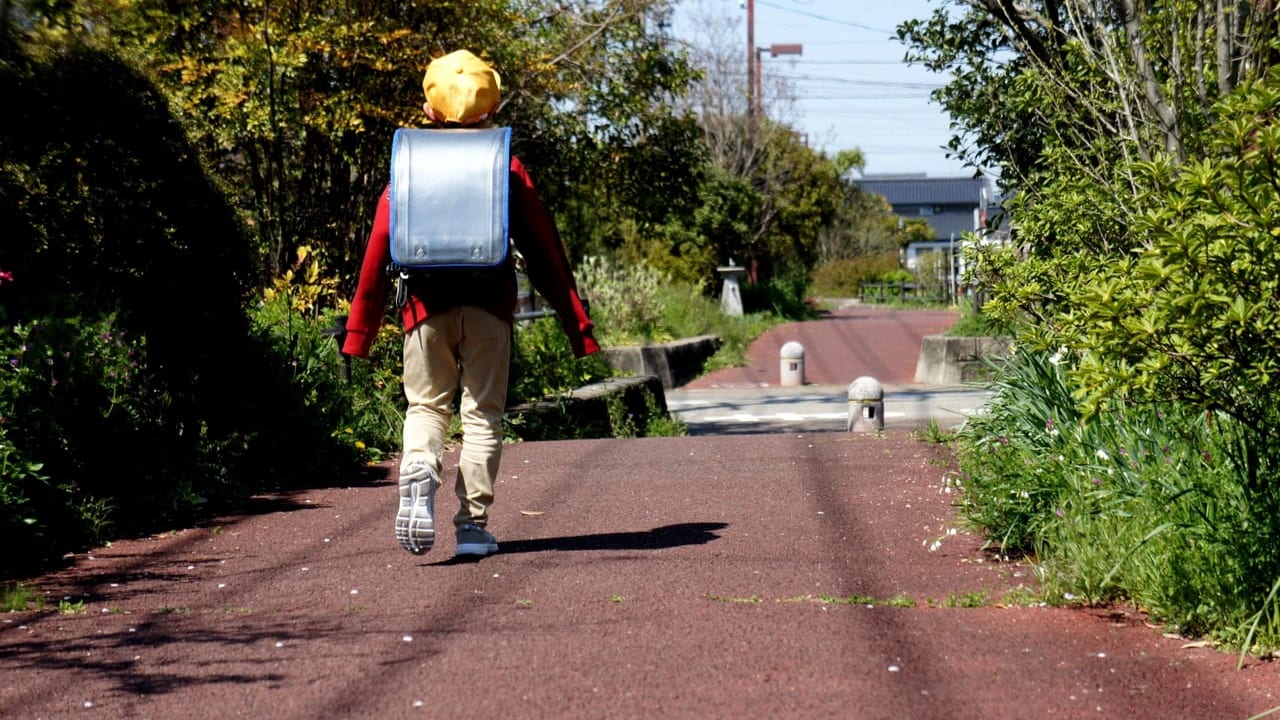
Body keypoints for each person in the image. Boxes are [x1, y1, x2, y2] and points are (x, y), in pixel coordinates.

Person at [342, 49, 599, 558]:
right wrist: (577, 326)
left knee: (426, 406)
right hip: (489, 306)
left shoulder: (410, 160)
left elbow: (378, 244)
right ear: (492, 107)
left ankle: (420, 463)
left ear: (429, 109)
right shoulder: (506, 165)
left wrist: (359, 332)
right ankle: (472, 527)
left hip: (423, 307)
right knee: (482, 414)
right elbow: (546, 251)